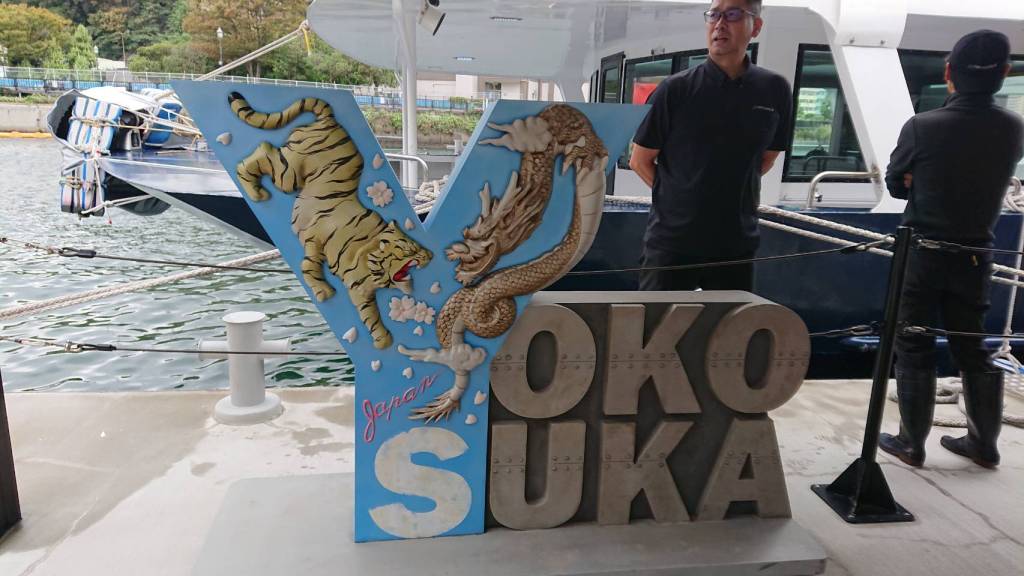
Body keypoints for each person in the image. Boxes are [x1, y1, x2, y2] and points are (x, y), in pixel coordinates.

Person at [880, 30, 1024, 469]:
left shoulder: (923, 127)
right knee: (973, 346)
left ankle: (911, 443)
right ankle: (984, 445)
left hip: (923, 252)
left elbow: (895, 183)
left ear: (949, 73)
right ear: (1004, 72)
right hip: (976, 254)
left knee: (913, 341)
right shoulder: (1013, 128)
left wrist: (918, 180)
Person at [629, 0, 792, 292]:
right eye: (714, 15)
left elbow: (766, 158)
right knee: (656, 322)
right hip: (672, 244)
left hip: (736, 245)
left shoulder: (774, 90)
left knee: (732, 323)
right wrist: (681, 198)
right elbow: (640, 160)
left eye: (732, 14)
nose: (719, 24)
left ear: (755, 26)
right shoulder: (675, 90)